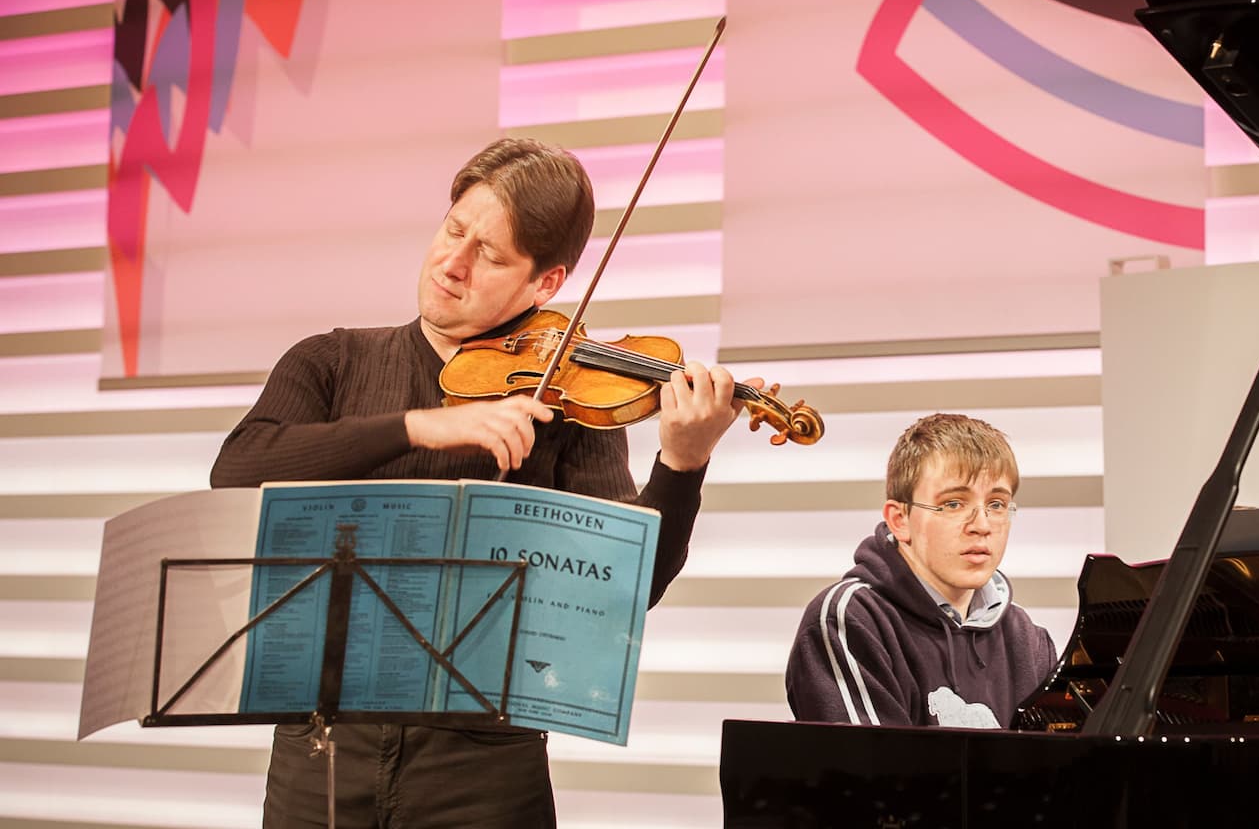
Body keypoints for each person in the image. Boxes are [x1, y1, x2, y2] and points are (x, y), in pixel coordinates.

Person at [210, 137, 754, 828]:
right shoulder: (331, 361)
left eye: (490, 256)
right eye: (453, 230)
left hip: (484, 769)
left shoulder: (566, 396)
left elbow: (624, 593)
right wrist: (418, 427)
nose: (452, 263)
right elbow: (238, 469)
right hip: (318, 754)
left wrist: (682, 464)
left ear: (545, 284)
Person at [784, 413, 1057, 728]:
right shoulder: (850, 619)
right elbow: (874, 772)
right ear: (900, 520)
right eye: (953, 504)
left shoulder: (1029, 639)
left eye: (996, 504)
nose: (982, 526)